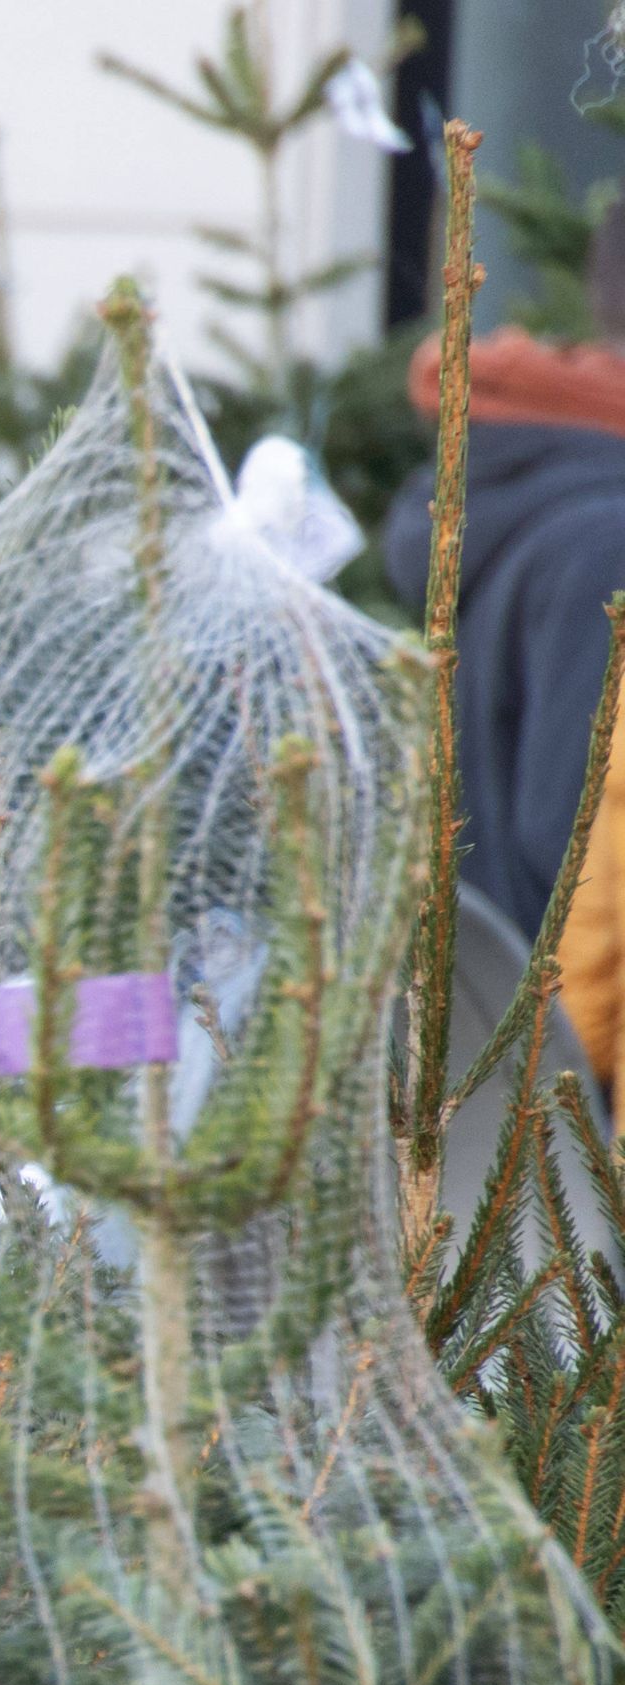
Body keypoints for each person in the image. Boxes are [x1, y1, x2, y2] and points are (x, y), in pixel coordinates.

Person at [382, 205, 625, 1077]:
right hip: (567, 1100)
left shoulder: (539, 489)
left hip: (499, 1070)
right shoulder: (609, 540)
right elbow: (585, 863)